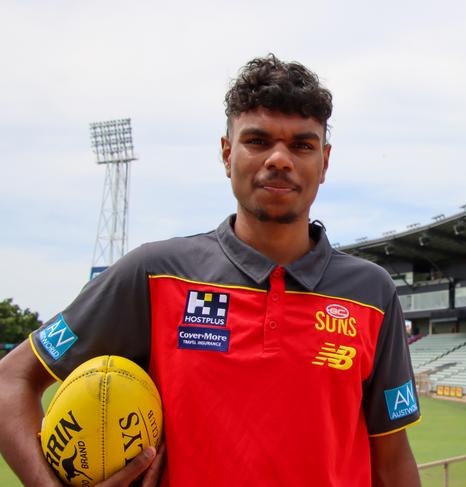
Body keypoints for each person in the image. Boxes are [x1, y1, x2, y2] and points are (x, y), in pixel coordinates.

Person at [0, 54, 421, 486]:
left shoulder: (371, 292)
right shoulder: (155, 273)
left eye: (302, 144)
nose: (279, 158)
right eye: (257, 141)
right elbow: (10, 381)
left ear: (325, 161)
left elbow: (391, 458)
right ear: (226, 154)